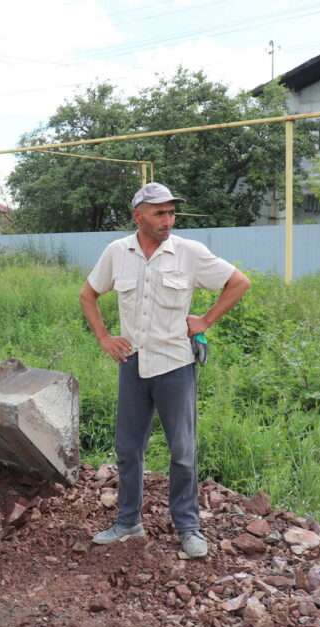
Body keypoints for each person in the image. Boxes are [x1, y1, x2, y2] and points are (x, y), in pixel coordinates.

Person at [80, 182, 251, 559]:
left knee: (183, 452)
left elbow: (239, 283)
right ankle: (127, 522)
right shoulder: (117, 253)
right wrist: (105, 337)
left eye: (172, 213)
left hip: (175, 364)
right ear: (138, 215)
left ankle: (188, 527)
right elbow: (88, 295)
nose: (168, 220)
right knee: (128, 448)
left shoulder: (189, 253)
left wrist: (205, 320)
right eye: (160, 213)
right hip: (134, 363)